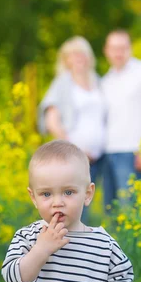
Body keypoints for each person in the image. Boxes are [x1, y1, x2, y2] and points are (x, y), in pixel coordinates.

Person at [1, 140, 134, 282]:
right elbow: (13, 278)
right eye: (46, 194)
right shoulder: (29, 236)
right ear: (33, 197)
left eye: (68, 192)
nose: (57, 203)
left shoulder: (104, 243)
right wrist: (41, 250)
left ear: (88, 194)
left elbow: (123, 277)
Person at [101, 29, 141, 211]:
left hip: (132, 153)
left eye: (123, 47)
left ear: (130, 48)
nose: (118, 52)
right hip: (107, 154)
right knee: (111, 213)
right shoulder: (106, 80)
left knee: (130, 213)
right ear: (106, 50)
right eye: (114, 48)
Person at [37, 36, 106, 196]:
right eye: (73, 55)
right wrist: (76, 150)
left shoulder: (98, 81)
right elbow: (51, 121)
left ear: (89, 57)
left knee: (95, 201)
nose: (78, 58)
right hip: (74, 157)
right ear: (66, 60)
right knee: (75, 204)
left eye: (82, 54)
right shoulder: (62, 83)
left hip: (101, 157)